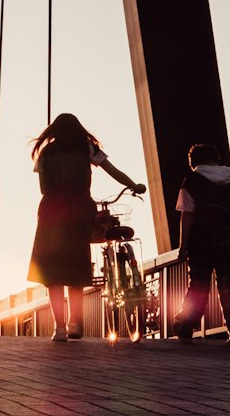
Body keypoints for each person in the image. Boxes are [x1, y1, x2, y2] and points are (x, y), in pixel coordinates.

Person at [27, 113, 146, 341]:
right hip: (81, 206)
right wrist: (133, 185)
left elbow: (43, 188)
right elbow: (113, 170)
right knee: (76, 267)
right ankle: (74, 325)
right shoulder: (86, 148)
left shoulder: (46, 153)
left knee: (52, 273)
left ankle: (59, 329)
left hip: (52, 209)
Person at [173, 143, 230, 343]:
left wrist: (183, 245)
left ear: (193, 162)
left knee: (198, 284)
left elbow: (187, 215)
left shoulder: (192, 180)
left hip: (202, 241)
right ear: (217, 158)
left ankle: (187, 325)